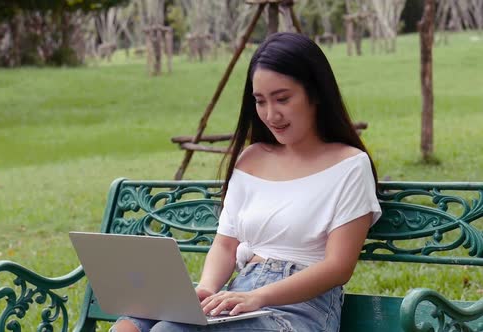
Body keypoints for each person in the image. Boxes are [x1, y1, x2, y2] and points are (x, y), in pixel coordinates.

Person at [111, 32, 382, 332]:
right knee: (133, 319)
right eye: (260, 101)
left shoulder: (349, 166)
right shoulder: (251, 159)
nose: (270, 114)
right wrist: (208, 288)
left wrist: (258, 297)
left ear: (315, 93)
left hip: (301, 310)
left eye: (282, 99)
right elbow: (226, 245)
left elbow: (337, 268)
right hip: (241, 292)